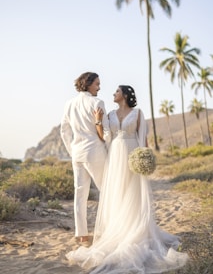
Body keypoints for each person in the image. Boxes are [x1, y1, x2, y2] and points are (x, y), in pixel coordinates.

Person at [65, 84, 188, 273]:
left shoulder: (138, 113)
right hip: (114, 156)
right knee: (117, 192)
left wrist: (144, 157)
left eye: (117, 91)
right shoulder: (110, 115)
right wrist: (98, 121)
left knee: (133, 192)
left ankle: (134, 227)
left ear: (125, 95)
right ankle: (118, 228)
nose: (113, 93)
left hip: (132, 153)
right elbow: (104, 137)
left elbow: (143, 139)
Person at [60, 72, 111, 244]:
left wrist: (71, 150)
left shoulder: (69, 104)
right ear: (88, 84)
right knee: (107, 190)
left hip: (77, 153)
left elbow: (64, 130)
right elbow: (105, 132)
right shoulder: (97, 102)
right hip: (94, 152)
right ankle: (110, 229)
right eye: (97, 83)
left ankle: (81, 234)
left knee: (79, 194)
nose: (99, 87)